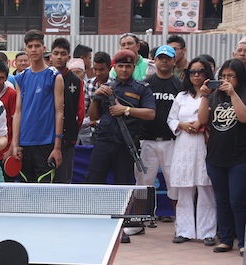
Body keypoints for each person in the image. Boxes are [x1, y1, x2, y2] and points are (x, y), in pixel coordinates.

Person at [198, 59, 246, 257]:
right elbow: (202, 120)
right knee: (222, 200)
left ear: (239, 77)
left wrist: (233, 93)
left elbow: (243, 117)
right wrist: (203, 96)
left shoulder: (241, 94)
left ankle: (242, 240)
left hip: (239, 157)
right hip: (215, 157)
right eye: (223, 76)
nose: (225, 80)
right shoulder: (215, 96)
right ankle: (226, 239)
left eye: (230, 76)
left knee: (238, 200)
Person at [86, 49, 156, 185]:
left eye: (128, 66)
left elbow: (150, 113)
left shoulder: (142, 88)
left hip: (127, 143)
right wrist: (96, 97)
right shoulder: (107, 88)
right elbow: (93, 116)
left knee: (124, 185)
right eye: (120, 66)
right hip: (103, 141)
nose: (124, 70)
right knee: (93, 181)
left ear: (134, 67)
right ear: (114, 68)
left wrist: (125, 110)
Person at [167, 56, 216, 245]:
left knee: (206, 189)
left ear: (207, 74)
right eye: (193, 72)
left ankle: (208, 232)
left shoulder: (214, 94)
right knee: (185, 190)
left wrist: (199, 124)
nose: (196, 75)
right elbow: (171, 119)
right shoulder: (181, 96)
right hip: (184, 145)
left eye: (200, 71)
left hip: (203, 145)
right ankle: (184, 230)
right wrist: (182, 125)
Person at [135, 45, 182, 228]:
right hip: (147, 140)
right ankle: (140, 221)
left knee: (175, 184)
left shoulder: (179, 85)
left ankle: (181, 224)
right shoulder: (146, 84)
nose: (164, 61)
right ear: (155, 60)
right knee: (143, 184)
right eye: (160, 58)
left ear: (173, 61)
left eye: (167, 58)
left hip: (172, 142)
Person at [11, 29, 64, 184]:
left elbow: (59, 113)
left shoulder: (54, 76)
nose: (34, 49)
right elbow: (18, 113)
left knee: (44, 194)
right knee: (27, 192)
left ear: (44, 48)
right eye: (30, 46)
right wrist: (15, 145)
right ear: (25, 49)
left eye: (37, 45)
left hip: (46, 144)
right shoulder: (20, 78)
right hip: (24, 144)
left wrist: (57, 146)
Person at [50, 38, 85, 183]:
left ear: (68, 58)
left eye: (63, 54)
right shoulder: (45, 77)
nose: (59, 57)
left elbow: (81, 112)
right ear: (50, 55)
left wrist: (71, 133)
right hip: (45, 137)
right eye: (56, 53)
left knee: (63, 181)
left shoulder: (76, 81)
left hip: (66, 139)